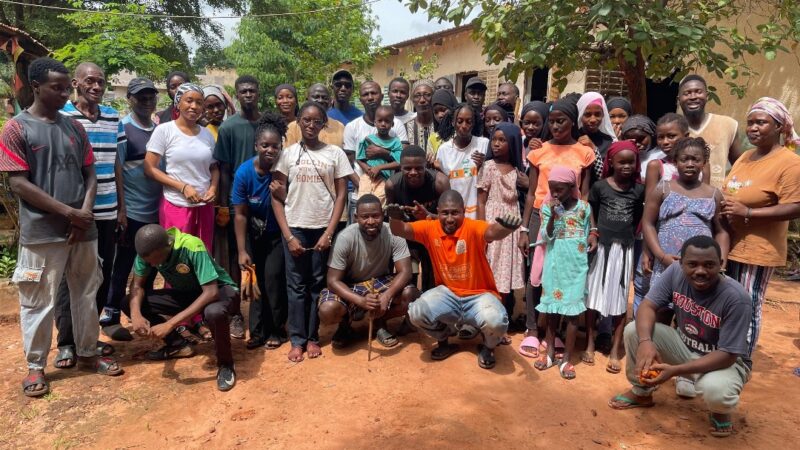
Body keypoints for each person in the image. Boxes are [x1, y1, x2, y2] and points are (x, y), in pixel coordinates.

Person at [0, 57, 123, 397]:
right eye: (57, 87)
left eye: (66, 87)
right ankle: (36, 366)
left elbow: (90, 174)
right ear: (35, 86)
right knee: (38, 300)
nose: (64, 93)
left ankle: (87, 351)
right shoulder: (17, 128)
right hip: (41, 233)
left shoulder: (74, 128)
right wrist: (71, 214)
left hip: (84, 230)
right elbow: (19, 184)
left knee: (86, 293)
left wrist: (84, 215)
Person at [609, 236, 752, 439]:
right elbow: (648, 306)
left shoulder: (737, 299)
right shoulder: (675, 271)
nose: (700, 271)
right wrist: (646, 342)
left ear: (721, 264)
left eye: (709, 265)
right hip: (684, 345)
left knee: (716, 391)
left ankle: (720, 412)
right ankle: (641, 393)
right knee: (635, 332)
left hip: (724, 362)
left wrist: (676, 371)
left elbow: (728, 354)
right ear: (681, 262)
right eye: (692, 264)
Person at [387, 190, 522, 369]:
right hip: (448, 294)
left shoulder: (473, 227)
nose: (450, 218)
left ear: (464, 212)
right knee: (416, 313)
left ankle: (488, 347)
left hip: (479, 295)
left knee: (496, 322)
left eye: (455, 213)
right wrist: (394, 219)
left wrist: (506, 227)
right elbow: (401, 230)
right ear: (438, 211)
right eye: (445, 213)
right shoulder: (430, 228)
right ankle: (444, 338)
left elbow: (492, 232)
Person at [272, 101, 353, 362]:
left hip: (323, 228)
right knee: (296, 285)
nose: (310, 125)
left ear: (323, 125)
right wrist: (288, 236)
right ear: (298, 121)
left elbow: (341, 195)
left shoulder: (335, 154)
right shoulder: (288, 153)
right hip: (295, 227)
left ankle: (313, 337)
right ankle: (297, 340)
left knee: (317, 284)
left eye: (316, 121)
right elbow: (277, 197)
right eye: (305, 120)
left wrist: (329, 232)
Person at [721, 97, 800, 362]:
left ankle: (741, 363)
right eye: (750, 122)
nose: (753, 128)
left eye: (761, 122)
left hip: (758, 249)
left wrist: (749, 213)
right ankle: (723, 355)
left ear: (779, 127)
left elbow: (795, 206)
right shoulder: (745, 156)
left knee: (748, 305)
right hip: (730, 244)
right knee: (728, 305)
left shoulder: (789, 163)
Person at [56, 62, 126, 358]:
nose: (97, 87)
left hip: (108, 209)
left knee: (100, 276)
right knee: (68, 278)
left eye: (101, 82)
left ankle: (90, 335)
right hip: (73, 211)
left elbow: (116, 165)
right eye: (90, 81)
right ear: (76, 83)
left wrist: (122, 207)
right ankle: (67, 343)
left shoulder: (112, 118)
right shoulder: (61, 118)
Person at [518, 98, 595, 359]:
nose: (555, 126)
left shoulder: (584, 152)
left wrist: (584, 228)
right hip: (543, 214)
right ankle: (531, 329)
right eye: (551, 121)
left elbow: (584, 193)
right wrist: (525, 228)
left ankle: (557, 332)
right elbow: (530, 193)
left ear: (573, 121)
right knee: (536, 272)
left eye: (561, 120)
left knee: (563, 273)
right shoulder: (538, 151)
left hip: (572, 219)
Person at [125, 224, 238, 391]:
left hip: (219, 291)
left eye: (156, 259)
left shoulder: (192, 246)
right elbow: (137, 286)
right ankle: (178, 345)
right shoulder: (147, 252)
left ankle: (226, 365)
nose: (153, 264)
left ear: (167, 246)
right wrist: (135, 315)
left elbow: (211, 292)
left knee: (213, 312)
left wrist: (170, 324)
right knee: (130, 302)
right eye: (149, 261)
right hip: (188, 293)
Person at [640, 138, 729, 322]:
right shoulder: (663, 188)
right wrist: (660, 255)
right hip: (666, 263)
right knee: (660, 312)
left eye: (696, 160)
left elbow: (721, 231)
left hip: (700, 267)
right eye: (684, 159)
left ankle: (684, 350)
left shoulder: (713, 194)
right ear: (675, 162)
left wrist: (721, 262)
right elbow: (648, 223)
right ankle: (659, 348)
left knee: (693, 316)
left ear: (704, 163)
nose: (690, 164)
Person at [319, 194, 420, 348]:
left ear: (383, 215)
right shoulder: (345, 237)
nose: (371, 221)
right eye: (365, 217)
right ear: (356, 217)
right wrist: (360, 300)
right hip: (351, 285)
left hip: (380, 282)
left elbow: (405, 272)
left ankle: (380, 321)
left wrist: (387, 296)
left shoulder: (393, 232)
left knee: (411, 295)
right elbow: (332, 281)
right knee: (328, 310)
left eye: (376, 216)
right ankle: (345, 325)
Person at [104, 77, 162, 342]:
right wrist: (122, 210)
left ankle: (141, 311)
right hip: (133, 212)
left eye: (151, 96)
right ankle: (111, 316)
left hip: (157, 211)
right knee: (123, 265)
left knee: (149, 267)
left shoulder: (159, 128)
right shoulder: (123, 128)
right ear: (130, 99)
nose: (147, 101)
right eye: (141, 97)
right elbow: (118, 171)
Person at [585, 141, 644, 373]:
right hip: (601, 248)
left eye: (631, 162)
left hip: (624, 250)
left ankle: (615, 350)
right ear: (611, 162)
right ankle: (589, 344)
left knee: (620, 298)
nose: (627, 166)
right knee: (593, 297)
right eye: (622, 161)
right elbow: (592, 211)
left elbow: (638, 216)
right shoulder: (600, 186)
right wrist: (594, 232)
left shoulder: (639, 190)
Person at [533, 167, 597, 379]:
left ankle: (567, 358)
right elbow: (547, 236)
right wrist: (551, 215)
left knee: (572, 315)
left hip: (576, 269)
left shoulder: (584, 208)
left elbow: (592, 231)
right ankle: (550, 352)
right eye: (552, 189)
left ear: (572, 187)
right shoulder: (547, 208)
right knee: (551, 312)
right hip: (555, 267)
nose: (555, 194)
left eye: (559, 189)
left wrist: (593, 236)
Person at [232, 112, 288, 350]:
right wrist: (242, 249)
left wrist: (283, 195)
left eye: (275, 146)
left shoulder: (285, 170)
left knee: (274, 280)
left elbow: (296, 203)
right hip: (254, 236)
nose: (270, 150)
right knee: (254, 281)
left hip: (277, 235)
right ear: (256, 145)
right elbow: (241, 213)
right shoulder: (244, 173)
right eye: (264, 145)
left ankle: (277, 329)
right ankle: (257, 331)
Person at [214, 75, 262, 340]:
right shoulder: (229, 127)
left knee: (262, 259)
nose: (248, 94)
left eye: (252, 90)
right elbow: (222, 168)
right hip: (237, 203)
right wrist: (224, 204)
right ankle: (235, 314)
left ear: (258, 92)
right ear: (237, 93)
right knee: (236, 260)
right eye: (243, 91)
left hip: (265, 203)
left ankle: (261, 312)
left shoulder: (266, 122)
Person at [477, 122, 528, 340]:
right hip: (492, 222)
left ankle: (502, 321)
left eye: (502, 140)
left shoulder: (519, 171)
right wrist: (482, 228)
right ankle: (486, 318)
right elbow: (481, 201)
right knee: (490, 270)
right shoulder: (487, 167)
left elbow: (528, 196)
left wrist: (527, 184)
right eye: (494, 139)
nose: (496, 144)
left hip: (512, 224)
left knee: (505, 273)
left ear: (513, 143)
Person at [385, 145, 450, 291]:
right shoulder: (392, 185)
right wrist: (397, 217)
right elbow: (391, 218)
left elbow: (450, 220)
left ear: (426, 166)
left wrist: (428, 216)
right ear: (400, 167)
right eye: (407, 168)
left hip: (433, 233)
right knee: (408, 280)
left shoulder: (439, 183)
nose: (413, 172)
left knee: (433, 280)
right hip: (406, 234)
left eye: (419, 168)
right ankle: (410, 308)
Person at [678, 74, 743, 188]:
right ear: (679, 99)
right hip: (681, 201)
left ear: (707, 96)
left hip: (718, 200)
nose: (693, 96)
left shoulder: (728, 125)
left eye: (698, 92)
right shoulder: (673, 130)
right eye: (687, 93)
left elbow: (740, 167)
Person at [435, 103, 489, 219]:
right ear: (453, 122)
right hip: (454, 214)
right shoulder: (444, 150)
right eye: (460, 121)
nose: (464, 126)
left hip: (478, 211)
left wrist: (484, 164)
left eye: (468, 122)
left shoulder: (483, 144)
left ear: (473, 124)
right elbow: (443, 183)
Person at [355, 105, 402, 204]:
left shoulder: (396, 142)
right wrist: (368, 169)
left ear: (392, 124)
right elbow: (359, 158)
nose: (383, 124)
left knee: (379, 201)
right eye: (380, 121)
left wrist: (379, 168)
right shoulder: (368, 140)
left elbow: (399, 162)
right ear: (374, 122)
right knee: (363, 200)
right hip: (367, 176)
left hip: (384, 179)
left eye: (387, 121)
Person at [577, 92, 617, 185]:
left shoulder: (609, 142)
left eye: (597, 114)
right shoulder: (572, 138)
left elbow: (607, 177)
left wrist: (594, 149)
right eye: (587, 114)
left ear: (603, 115)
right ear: (580, 114)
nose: (593, 119)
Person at [404, 80, 435, 153]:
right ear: (412, 100)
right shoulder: (405, 128)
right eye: (417, 96)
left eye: (427, 95)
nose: (422, 100)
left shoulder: (441, 126)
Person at [428, 88, 458, 157]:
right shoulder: (433, 138)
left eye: (443, 110)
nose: (440, 115)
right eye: (436, 112)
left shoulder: (462, 134)